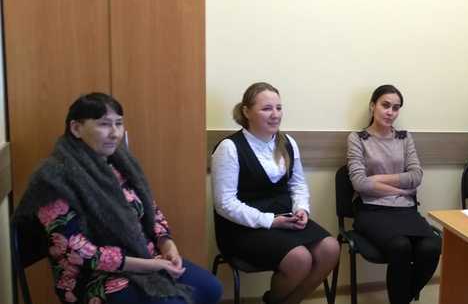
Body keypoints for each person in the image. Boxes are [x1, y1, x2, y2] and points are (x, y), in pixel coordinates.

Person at [13, 93, 222, 304]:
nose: (115, 133)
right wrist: (149, 265)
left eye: (119, 124)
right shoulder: (53, 179)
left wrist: (167, 244)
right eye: (104, 124)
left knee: (210, 288)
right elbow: (76, 250)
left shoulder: (121, 164)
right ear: (76, 128)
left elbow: (151, 210)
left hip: (145, 257)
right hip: (90, 276)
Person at [211, 82, 339, 304]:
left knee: (331, 248)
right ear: (246, 112)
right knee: (300, 259)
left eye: (279, 108)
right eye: (267, 108)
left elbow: (298, 185)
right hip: (244, 228)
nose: (275, 114)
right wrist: (269, 221)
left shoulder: (288, 142)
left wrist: (301, 209)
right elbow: (225, 203)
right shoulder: (229, 148)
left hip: (285, 218)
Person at [346, 84, 441, 304]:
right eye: (385, 105)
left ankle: (401, 300)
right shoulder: (357, 138)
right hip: (371, 210)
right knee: (400, 246)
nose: (390, 112)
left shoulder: (404, 138)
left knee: (432, 247)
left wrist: (378, 179)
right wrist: (400, 187)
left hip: (404, 209)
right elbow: (360, 184)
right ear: (373, 106)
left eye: (395, 108)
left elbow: (416, 176)